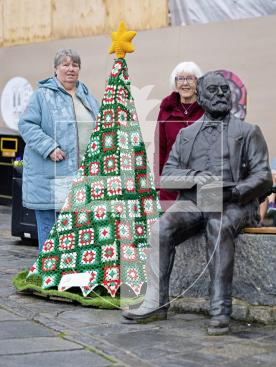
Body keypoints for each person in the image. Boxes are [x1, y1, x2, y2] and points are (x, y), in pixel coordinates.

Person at [122, 71, 272, 334]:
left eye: (224, 90)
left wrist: (235, 192)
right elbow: (167, 175)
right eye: (214, 90)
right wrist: (196, 178)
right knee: (160, 229)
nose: (221, 94)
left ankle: (220, 309)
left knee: (218, 224)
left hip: (235, 201)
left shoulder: (248, 132)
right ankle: (156, 302)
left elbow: (263, 176)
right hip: (195, 199)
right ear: (201, 96)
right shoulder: (186, 135)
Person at [19, 49, 99, 250]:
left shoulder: (87, 96)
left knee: (75, 233)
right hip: (50, 177)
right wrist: (49, 147)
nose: (70, 69)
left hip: (80, 178)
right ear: (55, 69)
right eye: (65, 64)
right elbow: (27, 125)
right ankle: (49, 277)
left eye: (75, 65)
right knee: (50, 233)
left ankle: (70, 277)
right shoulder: (42, 95)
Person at [153, 62, 204, 210]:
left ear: (197, 82)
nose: (185, 83)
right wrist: (158, 182)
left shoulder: (206, 111)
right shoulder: (166, 111)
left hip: (200, 184)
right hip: (171, 185)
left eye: (190, 78)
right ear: (175, 83)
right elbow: (159, 149)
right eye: (180, 79)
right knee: (171, 228)